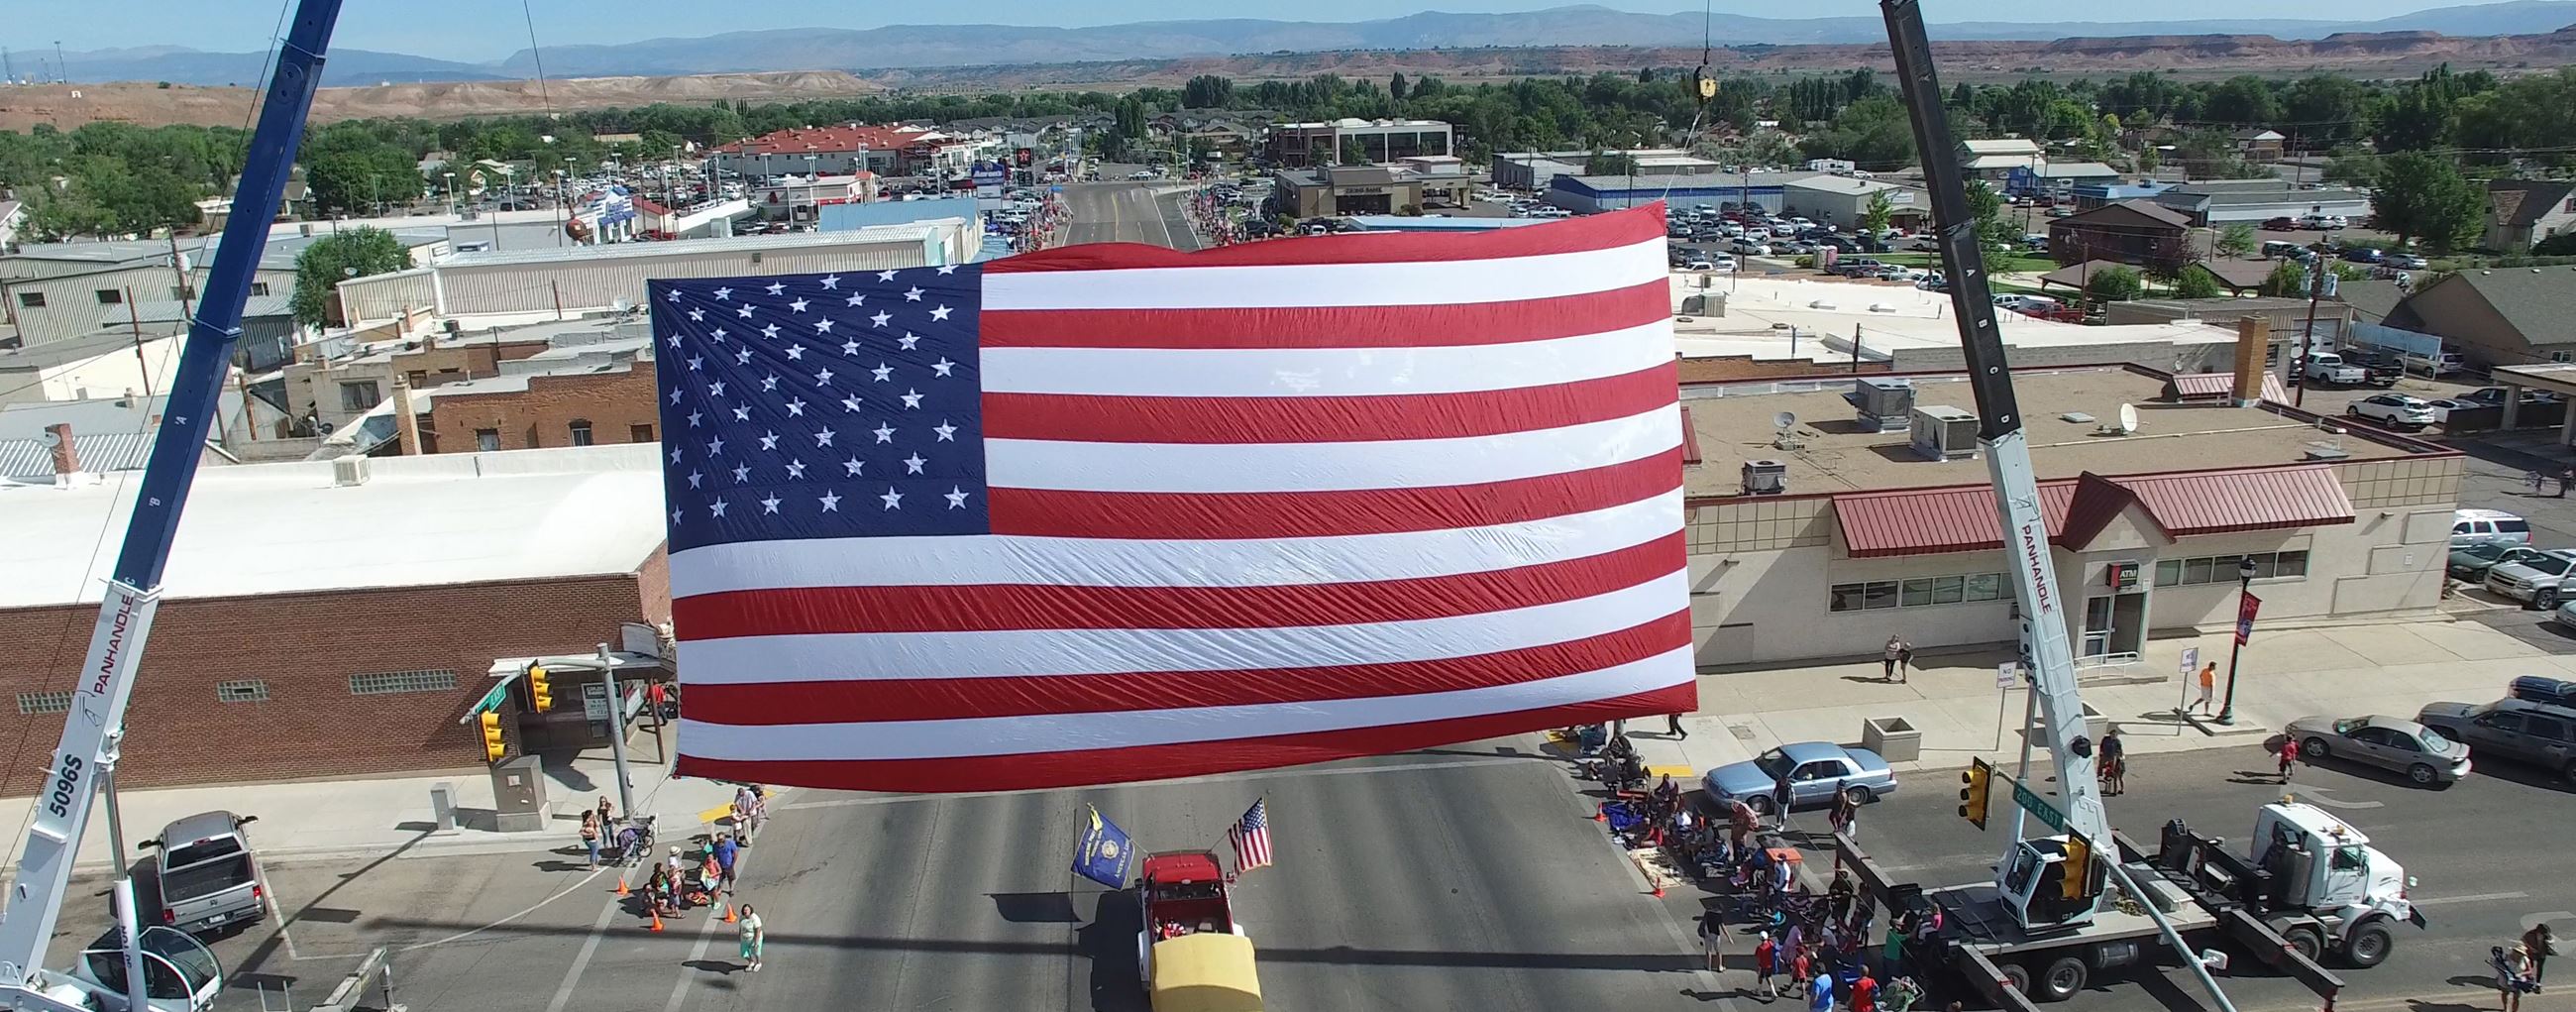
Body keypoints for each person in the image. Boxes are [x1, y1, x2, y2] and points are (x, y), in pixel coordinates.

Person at [2496, 944, 2535, 1012]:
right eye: (2517, 952)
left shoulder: (2525, 959)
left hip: (2518, 981)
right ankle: (2505, 1007)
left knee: (2516, 997)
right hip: (2505, 980)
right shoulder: (2506, 957)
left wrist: (2521, 974)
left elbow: (2529, 971)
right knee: (2505, 993)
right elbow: (2499, 966)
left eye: (2520, 953)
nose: (2518, 954)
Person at [737, 903, 765, 972]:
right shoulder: (742, 917)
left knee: (756, 952)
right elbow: (740, 926)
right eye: (744, 910)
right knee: (744, 953)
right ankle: (751, 961)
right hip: (744, 938)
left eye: (747, 910)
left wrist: (756, 942)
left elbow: (758, 930)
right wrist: (740, 935)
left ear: (750, 910)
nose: (745, 911)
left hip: (753, 938)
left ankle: (758, 963)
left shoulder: (755, 918)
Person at [2098, 727, 2126, 796]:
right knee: (2107, 772)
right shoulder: (2106, 739)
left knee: (2117, 777)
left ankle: (2118, 790)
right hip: (2106, 756)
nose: (2114, 736)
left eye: (2115, 735)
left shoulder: (2117, 742)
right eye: (2113, 734)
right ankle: (2110, 788)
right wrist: (2101, 752)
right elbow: (2101, 746)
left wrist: (2118, 757)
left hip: (2114, 760)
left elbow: (2120, 750)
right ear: (2110, 734)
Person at [1756, 932, 1778, 997]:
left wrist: (1758, 966)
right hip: (1770, 964)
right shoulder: (1771, 944)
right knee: (1769, 977)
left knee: (1760, 976)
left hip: (1762, 965)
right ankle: (1773, 992)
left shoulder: (1760, 948)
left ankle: (1760, 991)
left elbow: (1758, 957)